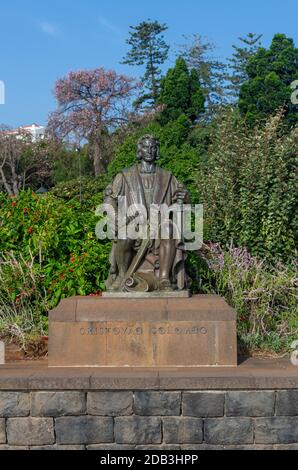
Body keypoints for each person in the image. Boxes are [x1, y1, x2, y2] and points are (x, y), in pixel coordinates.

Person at [104, 135, 189, 292]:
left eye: (153, 148)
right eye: (145, 147)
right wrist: (116, 219)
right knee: (124, 234)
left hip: (159, 225)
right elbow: (109, 197)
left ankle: (164, 278)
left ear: (157, 151)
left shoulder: (168, 177)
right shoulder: (124, 176)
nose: (149, 150)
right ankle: (122, 276)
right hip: (134, 223)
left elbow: (184, 198)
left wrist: (186, 196)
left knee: (169, 229)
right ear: (139, 150)